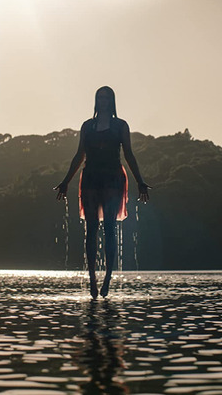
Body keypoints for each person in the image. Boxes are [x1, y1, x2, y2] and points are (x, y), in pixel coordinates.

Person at [54, 86, 150, 299]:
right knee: (91, 229)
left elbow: (129, 155)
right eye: (100, 98)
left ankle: (107, 277)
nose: (103, 101)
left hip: (113, 179)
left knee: (109, 228)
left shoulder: (120, 126)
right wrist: (65, 181)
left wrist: (140, 182)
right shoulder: (88, 126)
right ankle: (92, 280)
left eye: (107, 98)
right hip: (90, 179)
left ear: (112, 101)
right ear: (96, 101)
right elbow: (79, 154)